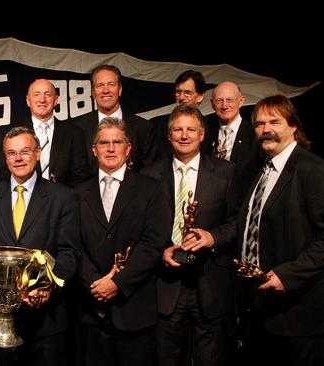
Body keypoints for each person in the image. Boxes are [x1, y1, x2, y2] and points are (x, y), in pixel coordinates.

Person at [142, 104, 240, 366]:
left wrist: (213, 237)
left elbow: (239, 221)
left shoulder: (226, 173)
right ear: (168, 135)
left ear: (202, 134)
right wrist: (161, 250)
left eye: (190, 129)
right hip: (166, 285)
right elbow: (143, 227)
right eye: (177, 129)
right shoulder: (149, 175)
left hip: (210, 284)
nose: (184, 135)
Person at [0, 126, 81, 366]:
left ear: (38, 153)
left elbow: (69, 253)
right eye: (11, 153)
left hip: (45, 320)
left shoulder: (63, 197)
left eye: (24, 151)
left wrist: (46, 287)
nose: (18, 158)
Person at [236, 95, 324, 365]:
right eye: (260, 124)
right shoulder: (262, 171)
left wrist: (287, 275)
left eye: (274, 121)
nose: (266, 129)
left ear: (293, 126)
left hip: (299, 314)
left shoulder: (312, 169)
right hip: (262, 307)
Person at [75, 117, 168, 366]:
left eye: (117, 142)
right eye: (104, 143)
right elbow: (73, 245)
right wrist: (96, 284)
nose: (111, 148)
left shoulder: (151, 189)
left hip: (134, 308)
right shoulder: (77, 193)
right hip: (90, 310)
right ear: (94, 150)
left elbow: (153, 243)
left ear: (128, 149)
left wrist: (117, 282)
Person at [72, 65, 157, 172]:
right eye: (100, 85)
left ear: (120, 89)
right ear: (93, 92)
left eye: (111, 84)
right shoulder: (76, 127)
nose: (105, 90)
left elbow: (149, 173)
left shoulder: (143, 128)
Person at [13, 78, 91, 187]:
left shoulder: (74, 133)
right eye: (36, 94)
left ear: (55, 100)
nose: (42, 100)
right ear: (28, 100)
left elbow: (81, 176)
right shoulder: (13, 134)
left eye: (47, 94)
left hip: (63, 200)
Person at [204, 81, 263, 192]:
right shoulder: (205, 133)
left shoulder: (255, 133)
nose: (224, 106)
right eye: (219, 100)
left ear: (241, 101)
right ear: (212, 104)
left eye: (229, 100)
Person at [152, 70, 207, 159]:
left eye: (187, 93)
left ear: (200, 97)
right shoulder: (156, 125)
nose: (181, 97)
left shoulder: (211, 127)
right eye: (178, 92)